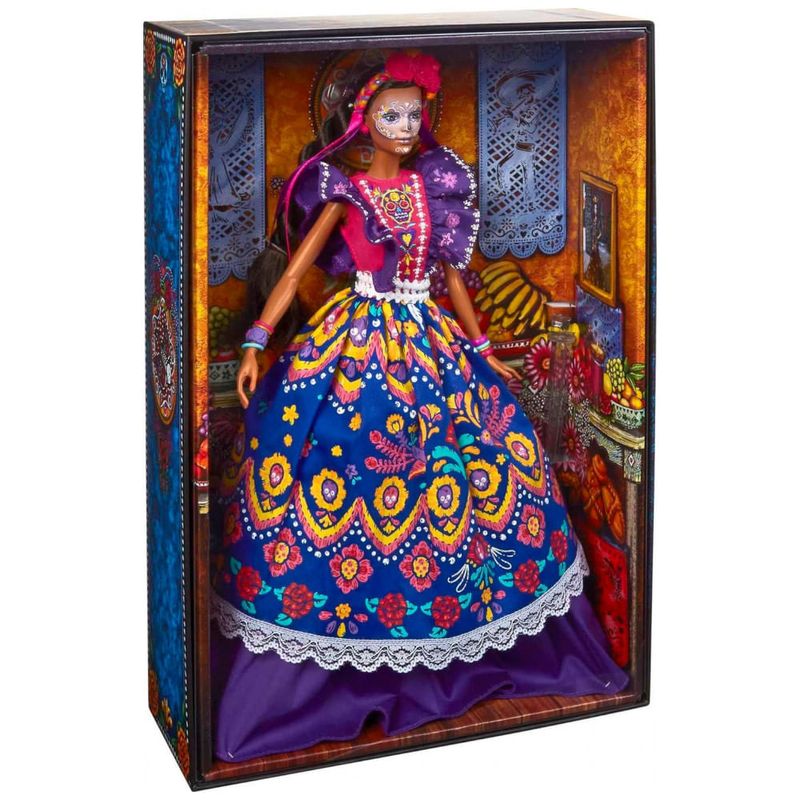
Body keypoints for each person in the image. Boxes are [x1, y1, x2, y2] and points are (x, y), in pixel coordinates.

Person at [210, 51, 627, 762]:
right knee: (343, 469)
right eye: (391, 115)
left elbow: (453, 276)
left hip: (432, 342)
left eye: (413, 115)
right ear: (361, 120)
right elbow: (298, 268)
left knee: (487, 467)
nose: (405, 127)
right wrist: (256, 338)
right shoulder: (344, 192)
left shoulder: (433, 188)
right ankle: (332, 653)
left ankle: (461, 630)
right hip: (358, 344)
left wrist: (481, 345)